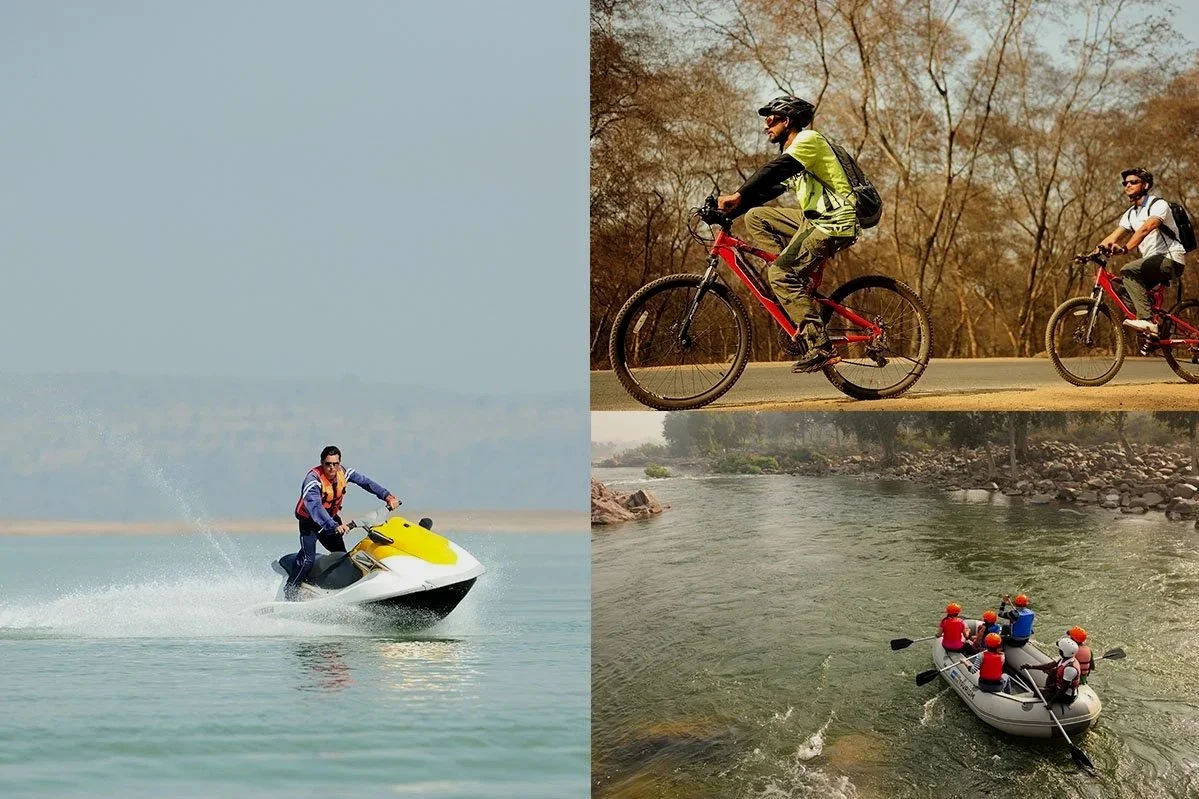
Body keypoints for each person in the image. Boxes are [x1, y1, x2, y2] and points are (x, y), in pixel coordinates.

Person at [715, 95, 859, 372]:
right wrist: (729, 212)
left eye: (770, 119)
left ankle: (820, 346)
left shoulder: (808, 142)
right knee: (756, 216)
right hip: (812, 220)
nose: (765, 126)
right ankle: (790, 280)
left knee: (780, 275)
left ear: (788, 120)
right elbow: (769, 190)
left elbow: (774, 171)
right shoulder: (795, 155)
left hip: (834, 222)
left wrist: (737, 193)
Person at [285, 445, 399, 600]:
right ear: (322, 463)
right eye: (328, 464)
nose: (332, 468)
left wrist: (388, 496)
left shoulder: (344, 473)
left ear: (339, 463)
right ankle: (289, 593)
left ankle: (340, 591)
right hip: (310, 524)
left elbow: (366, 483)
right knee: (307, 560)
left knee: (342, 558)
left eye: (335, 464)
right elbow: (316, 507)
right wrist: (333, 526)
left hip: (332, 521)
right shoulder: (312, 481)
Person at [1090, 167, 1187, 337]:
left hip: (1170, 258)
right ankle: (1153, 325)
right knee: (1121, 289)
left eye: (1133, 182)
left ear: (1146, 185)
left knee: (1128, 271)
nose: (1127, 185)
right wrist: (1092, 253)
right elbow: (1113, 236)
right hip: (1152, 262)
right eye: (1125, 183)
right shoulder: (1130, 214)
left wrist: (1125, 248)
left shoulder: (1158, 205)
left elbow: (1145, 229)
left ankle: (1148, 321)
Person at [1026, 636, 1082, 704]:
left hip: (1066, 695)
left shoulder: (1070, 669)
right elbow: (1048, 666)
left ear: (1063, 652)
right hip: (1058, 687)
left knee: (1037, 691)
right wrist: (1031, 667)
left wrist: (1051, 702)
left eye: (1060, 649)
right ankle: (1048, 689)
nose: (1059, 650)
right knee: (1052, 672)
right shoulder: (1065, 658)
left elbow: (1063, 689)